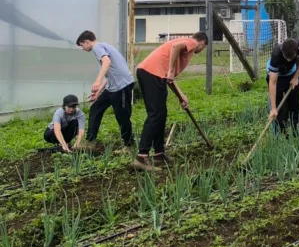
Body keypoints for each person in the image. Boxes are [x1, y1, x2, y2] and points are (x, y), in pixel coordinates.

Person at [135, 32, 208, 172]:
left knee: (161, 115)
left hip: (154, 75)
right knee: (155, 114)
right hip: (151, 73)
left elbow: (170, 79)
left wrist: (181, 96)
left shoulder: (186, 49)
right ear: (202, 42)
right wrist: (170, 70)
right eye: (203, 48)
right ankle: (141, 156)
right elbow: (176, 46)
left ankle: (159, 154)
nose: (200, 50)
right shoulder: (191, 42)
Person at [76, 31, 135, 151]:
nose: (82, 48)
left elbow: (106, 63)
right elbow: (110, 73)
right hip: (113, 86)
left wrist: (97, 81)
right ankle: (90, 142)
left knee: (122, 116)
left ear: (87, 42)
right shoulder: (104, 46)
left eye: (82, 45)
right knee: (96, 108)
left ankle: (129, 146)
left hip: (122, 86)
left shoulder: (98, 47)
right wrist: (98, 91)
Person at [267, 38, 299, 133]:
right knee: (278, 106)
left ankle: (297, 131)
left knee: (294, 103)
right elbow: (272, 83)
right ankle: (279, 133)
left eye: (291, 58)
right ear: (282, 51)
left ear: (297, 49)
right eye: (286, 58)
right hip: (278, 75)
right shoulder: (276, 54)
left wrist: (296, 77)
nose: (289, 60)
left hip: (291, 73)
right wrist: (273, 109)